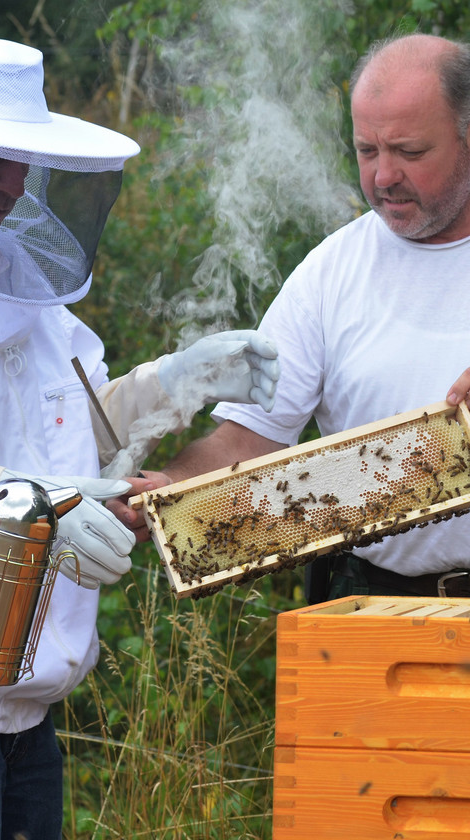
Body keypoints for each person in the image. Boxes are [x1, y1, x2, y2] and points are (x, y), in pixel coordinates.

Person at [0, 35, 280, 840]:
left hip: (28, 722)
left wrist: (172, 386)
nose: (13, 184)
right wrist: (17, 503)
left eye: (23, 160)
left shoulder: (26, 292)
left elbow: (65, 427)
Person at [111, 31, 470, 602]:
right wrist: (172, 489)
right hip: (373, 604)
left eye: (409, 152)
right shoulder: (332, 270)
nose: (382, 177)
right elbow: (250, 440)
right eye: (366, 150)